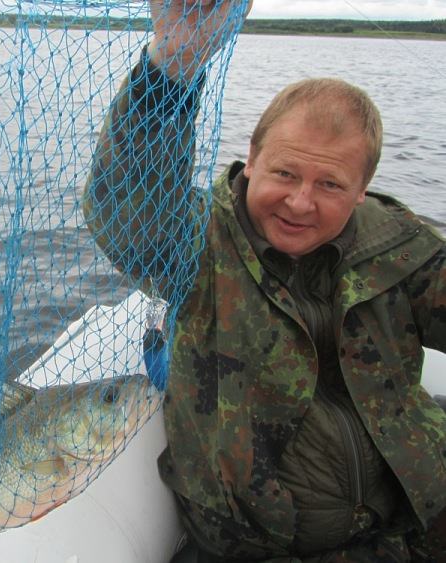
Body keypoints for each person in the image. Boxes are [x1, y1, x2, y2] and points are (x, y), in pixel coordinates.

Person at [81, 0, 446, 560]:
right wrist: (172, 68)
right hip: (262, 546)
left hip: (417, 520)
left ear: (362, 188)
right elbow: (126, 211)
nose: (299, 202)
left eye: (330, 184)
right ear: (251, 158)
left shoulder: (401, 244)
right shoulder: (198, 240)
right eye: (284, 172)